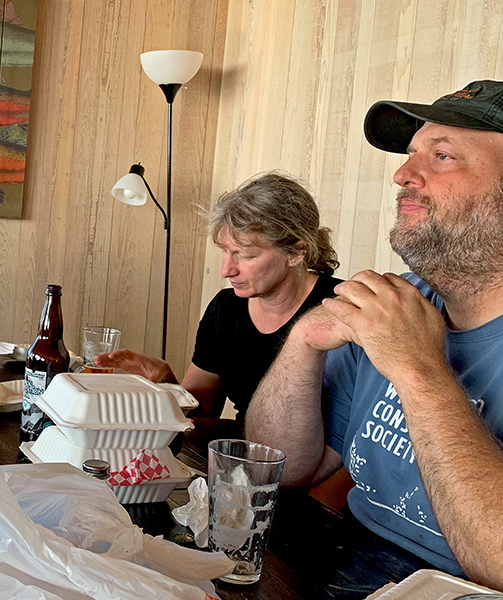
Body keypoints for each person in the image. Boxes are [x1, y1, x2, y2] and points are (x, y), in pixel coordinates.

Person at [245, 81, 503, 599]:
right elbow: (281, 464)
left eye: (442, 156)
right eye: (412, 154)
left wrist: (418, 371)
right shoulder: (402, 302)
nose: (403, 175)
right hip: (345, 559)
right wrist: (303, 341)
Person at [97, 172, 342, 441]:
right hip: (241, 457)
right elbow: (202, 411)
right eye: (225, 251)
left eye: (245, 255)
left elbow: (357, 440)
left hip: (317, 471)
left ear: (296, 252)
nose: (226, 269)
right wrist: (165, 381)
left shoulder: (341, 309)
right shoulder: (226, 308)